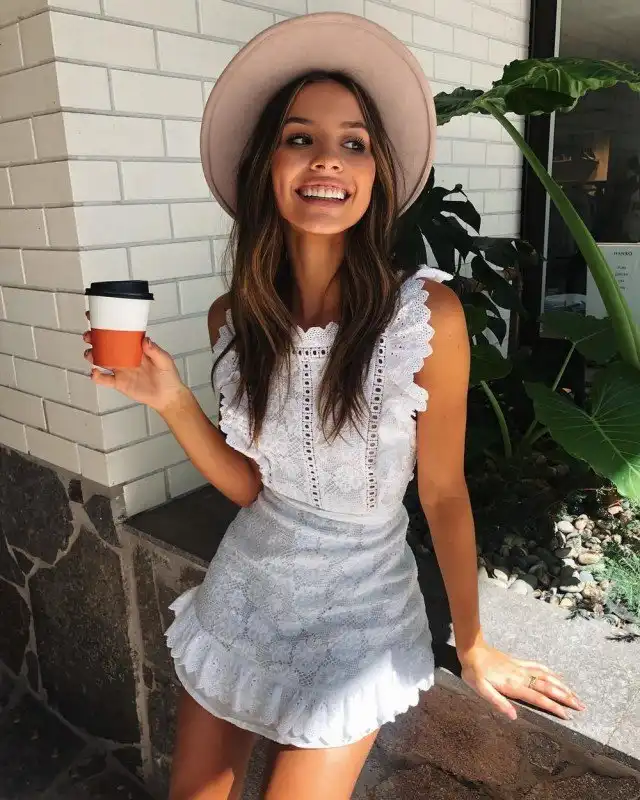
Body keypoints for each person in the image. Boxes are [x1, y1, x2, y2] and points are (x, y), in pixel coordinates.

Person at [83, 13, 585, 800]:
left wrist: (474, 643)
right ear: (267, 166)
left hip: (362, 609)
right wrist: (171, 398)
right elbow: (253, 488)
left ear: (376, 173)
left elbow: (443, 492)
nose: (327, 159)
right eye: (300, 138)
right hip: (248, 588)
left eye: (354, 143)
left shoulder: (425, 318)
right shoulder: (233, 320)